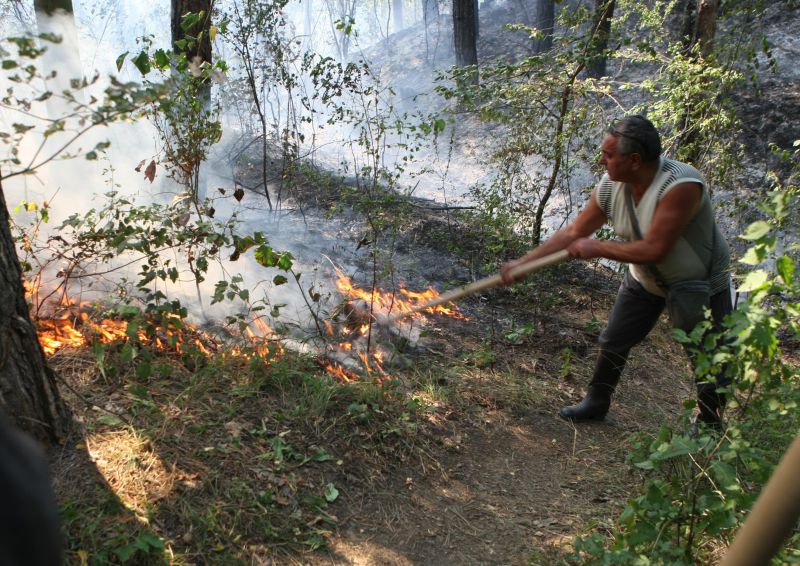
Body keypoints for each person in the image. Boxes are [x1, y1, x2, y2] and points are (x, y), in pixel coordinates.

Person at [501, 114, 732, 427]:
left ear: (634, 160)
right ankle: (596, 402)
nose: (601, 161)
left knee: (706, 356)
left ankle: (709, 423)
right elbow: (573, 233)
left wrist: (597, 248)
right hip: (645, 281)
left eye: (608, 155)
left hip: (698, 284)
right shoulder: (611, 187)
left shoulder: (681, 185)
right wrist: (524, 262)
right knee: (614, 340)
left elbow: (655, 248)